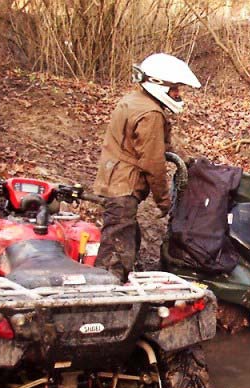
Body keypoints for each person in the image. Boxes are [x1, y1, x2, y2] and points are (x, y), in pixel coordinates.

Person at [93, 53, 200, 281]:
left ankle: (119, 282)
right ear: (158, 85)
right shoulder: (150, 113)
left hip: (114, 177)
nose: (178, 94)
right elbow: (153, 163)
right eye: (175, 89)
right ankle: (106, 295)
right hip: (123, 185)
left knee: (127, 235)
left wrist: (185, 159)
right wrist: (164, 201)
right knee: (116, 252)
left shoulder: (135, 99)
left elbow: (153, 146)